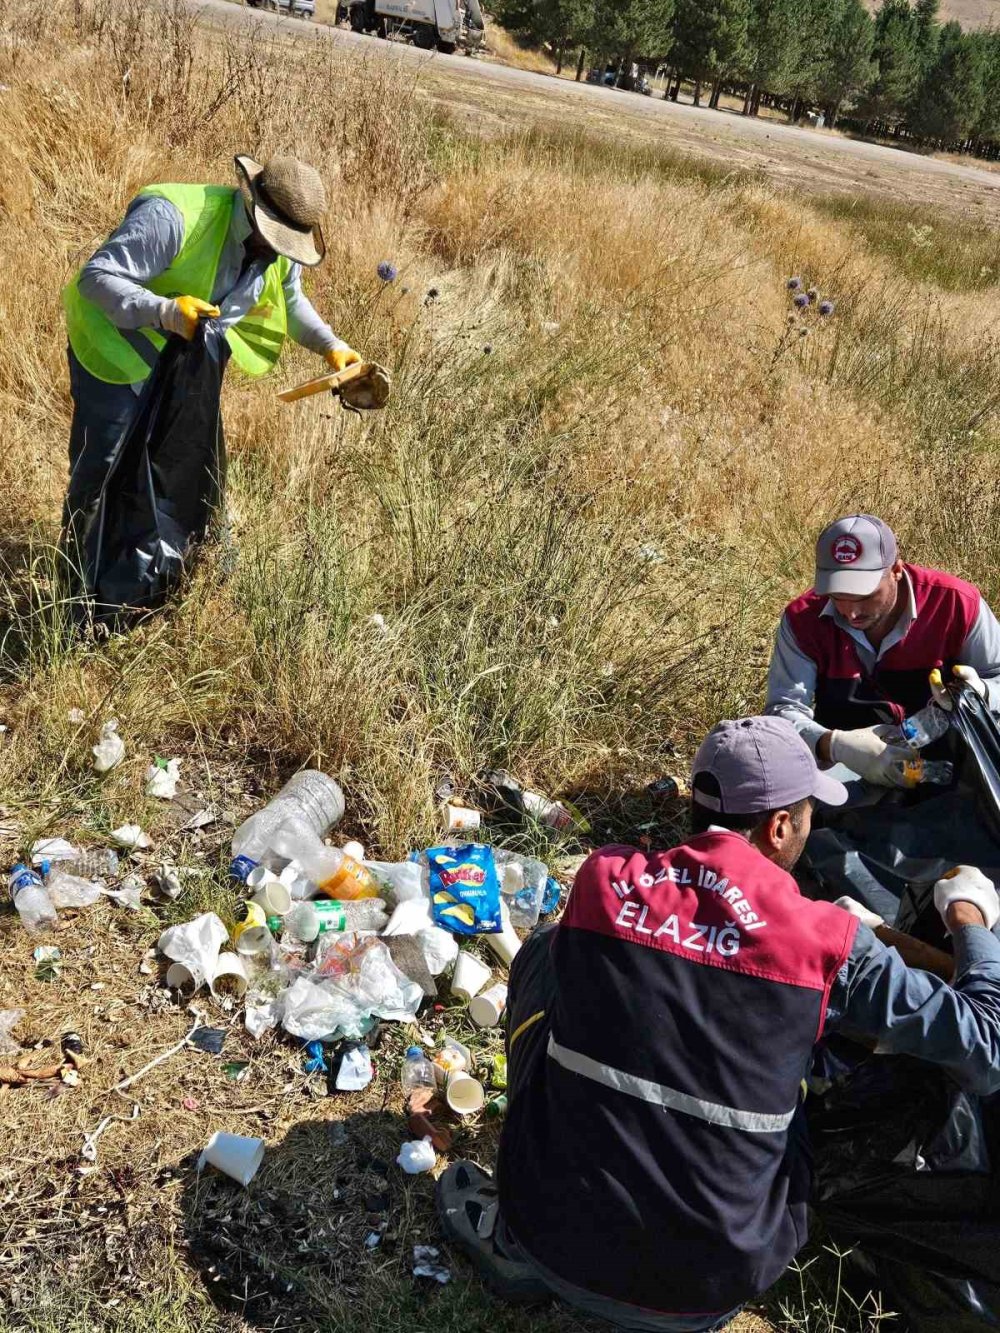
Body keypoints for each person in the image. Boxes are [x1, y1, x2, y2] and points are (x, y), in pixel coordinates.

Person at [437, 716, 1000, 1331]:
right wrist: (969, 917)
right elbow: (986, 1046)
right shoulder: (827, 942)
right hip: (708, 1287)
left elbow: (682, 960)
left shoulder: (604, 880)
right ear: (780, 825)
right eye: (809, 810)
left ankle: (516, 1238)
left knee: (547, 951)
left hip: (546, 1235)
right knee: (886, 1073)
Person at [61, 153, 362, 568]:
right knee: (102, 468)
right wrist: (165, 312)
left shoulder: (277, 252)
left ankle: (174, 570)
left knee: (188, 468)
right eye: (276, 237)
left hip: (183, 368)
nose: (279, 252)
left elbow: (291, 301)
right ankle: (75, 580)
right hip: (114, 352)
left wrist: (333, 347)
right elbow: (97, 277)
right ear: (254, 205)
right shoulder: (175, 217)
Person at [765, 514, 1000, 786]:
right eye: (837, 596)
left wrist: (980, 692)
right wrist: (834, 745)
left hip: (949, 761)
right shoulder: (802, 620)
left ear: (896, 570)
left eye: (864, 596)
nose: (850, 612)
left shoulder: (954, 603)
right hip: (847, 771)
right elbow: (783, 711)